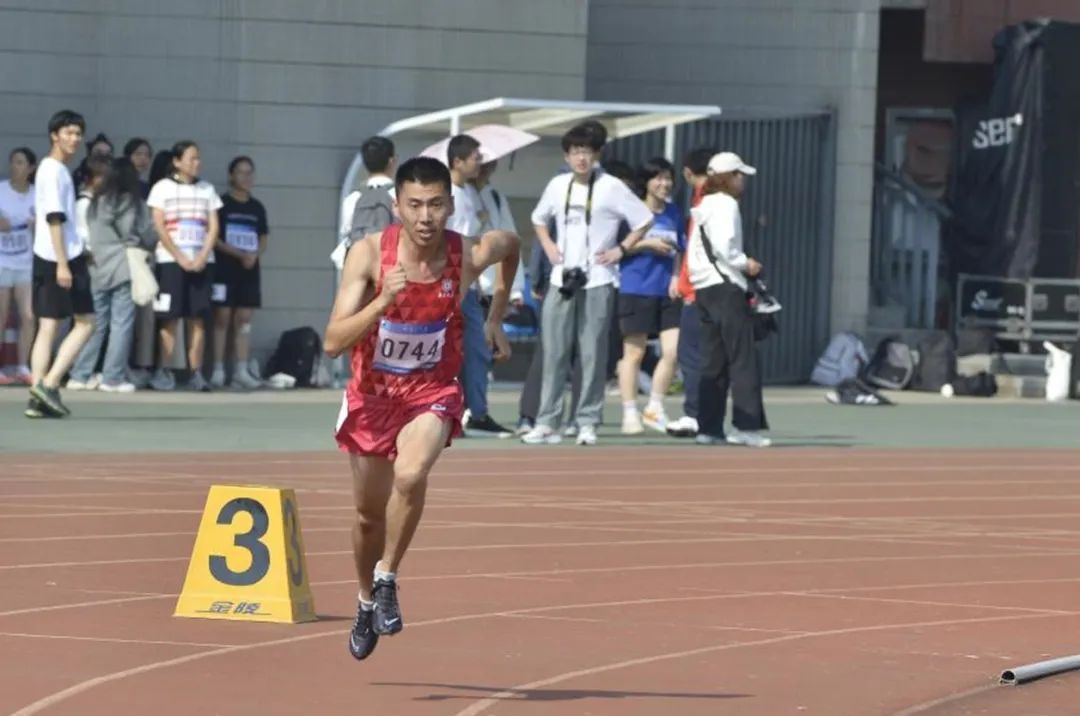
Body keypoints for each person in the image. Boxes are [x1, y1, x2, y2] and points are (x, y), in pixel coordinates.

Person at [324, 156, 519, 661]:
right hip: (372, 398)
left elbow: (511, 246)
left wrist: (495, 317)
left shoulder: (466, 253)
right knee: (368, 517)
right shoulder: (369, 254)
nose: (425, 217)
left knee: (410, 475)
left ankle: (387, 578)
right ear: (397, 207)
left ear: (451, 206)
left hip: (431, 391)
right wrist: (380, 303)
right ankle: (365, 599)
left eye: (435, 205)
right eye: (414, 205)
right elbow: (333, 342)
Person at [521, 124, 653, 446]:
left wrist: (621, 249)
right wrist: (549, 246)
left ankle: (587, 421)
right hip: (561, 279)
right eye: (575, 152)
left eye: (587, 152)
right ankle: (547, 421)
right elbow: (538, 218)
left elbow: (644, 219)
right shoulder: (557, 185)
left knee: (592, 352)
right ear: (566, 156)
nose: (581, 158)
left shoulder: (611, 186)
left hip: (599, 279)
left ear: (597, 154)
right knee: (554, 351)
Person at [687, 152, 770, 447]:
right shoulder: (726, 204)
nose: (743, 180)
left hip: (704, 287)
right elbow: (726, 247)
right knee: (742, 358)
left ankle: (708, 427)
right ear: (729, 177)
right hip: (726, 287)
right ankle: (747, 427)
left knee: (713, 361)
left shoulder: (704, 204)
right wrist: (746, 263)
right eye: (739, 174)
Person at [26, 110, 95, 418]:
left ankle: (37, 396)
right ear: (54, 135)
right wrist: (64, 264)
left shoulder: (54, 169)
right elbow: (55, 218)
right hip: (59, 258)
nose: (74, 139)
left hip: (52, 256)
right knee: (86, 322)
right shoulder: (53, 171)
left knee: (49, 325)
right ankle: (50, 384)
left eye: (78, 133)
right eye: (68, 133)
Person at [68, 158, 159, 393]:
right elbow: (143, 235)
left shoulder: (95, 202)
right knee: (121, 324)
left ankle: (80, 374)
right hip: (123, 267)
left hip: (97, 267)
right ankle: (112, 377)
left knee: (95, 324)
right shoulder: (131, 202)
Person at [447, 135, 511, 437]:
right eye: (475, 157)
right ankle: (461, 412)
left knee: (474, 350)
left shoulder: (469, 193)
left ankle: (473, 411)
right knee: (460, 350)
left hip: (469, 285)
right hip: (453, 284)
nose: (479, 162)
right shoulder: (448, 194)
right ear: (457, 161)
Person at [147, 140, 222, 392]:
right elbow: (159, 226)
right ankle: (164, 370)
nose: (196, 163)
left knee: (198, 319)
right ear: (177, 161)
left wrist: (202, 256)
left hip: (202, 263)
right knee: (169, 318)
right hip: (170, 262)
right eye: (191, 158)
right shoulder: (162, 188)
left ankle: (196, 373)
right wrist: (179, 256)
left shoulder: (207, 190)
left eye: (198, 158)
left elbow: (213, 227)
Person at [617, 157, 685, 434]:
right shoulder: (630, 212)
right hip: (636, 288)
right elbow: (617, 249)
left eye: (668, 178)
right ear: (646, 182)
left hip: (667, 291)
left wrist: (676, 276)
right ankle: (629, 411)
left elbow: (679, 249)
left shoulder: (674, 213)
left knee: (673, 351)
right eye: (658, 178)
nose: (664, 184)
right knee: (634, 353)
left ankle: (655, 408)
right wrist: (648, 244)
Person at [666, 146, 716, 438]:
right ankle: (703, 415)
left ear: (687, 173)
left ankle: (696, 414)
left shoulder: (705, 202)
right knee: (703, 356)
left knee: (692, 354)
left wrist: (687, 283)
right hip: (701, 288)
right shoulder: (712, 199)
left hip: (700, 290)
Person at [210, 156, 268, 390]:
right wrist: (237, 253)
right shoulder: (221, 204)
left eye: (249, 172)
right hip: (225, 269)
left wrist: (254, 254)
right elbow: (214, 238)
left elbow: (263, 238)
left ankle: (241, 370)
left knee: (243, 319)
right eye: (241, 172)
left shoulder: (257, 207)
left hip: (249, 271)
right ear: (231, 175)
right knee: (222, 318)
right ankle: (217, 370)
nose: (246, 177)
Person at [0, 147, 37, 386]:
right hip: (2, 262)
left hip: (25, 262)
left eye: (21, 162)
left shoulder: (36, 194)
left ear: (31, 168)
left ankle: (23, 366)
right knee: (1, 315)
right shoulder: (1, 190)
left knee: (28, 315)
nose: (15, 166)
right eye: (13, 162)